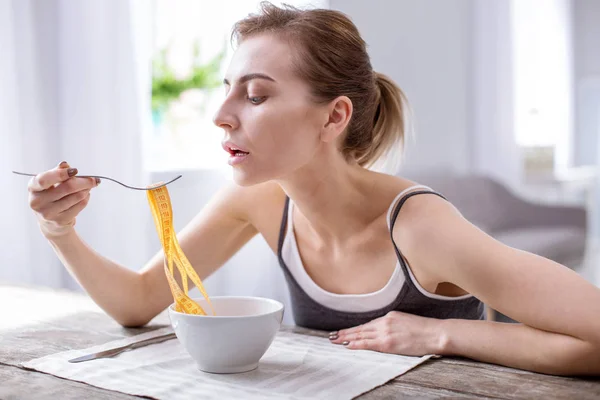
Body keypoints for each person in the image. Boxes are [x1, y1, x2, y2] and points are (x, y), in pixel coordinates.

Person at [27, 2, 600, 376]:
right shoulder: (257, 200)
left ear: (333, 118)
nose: (221, 116)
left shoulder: (421, 228)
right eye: (228, 90)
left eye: (254, 96)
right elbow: (135, 304)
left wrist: (442, 332)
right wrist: (60, 229)